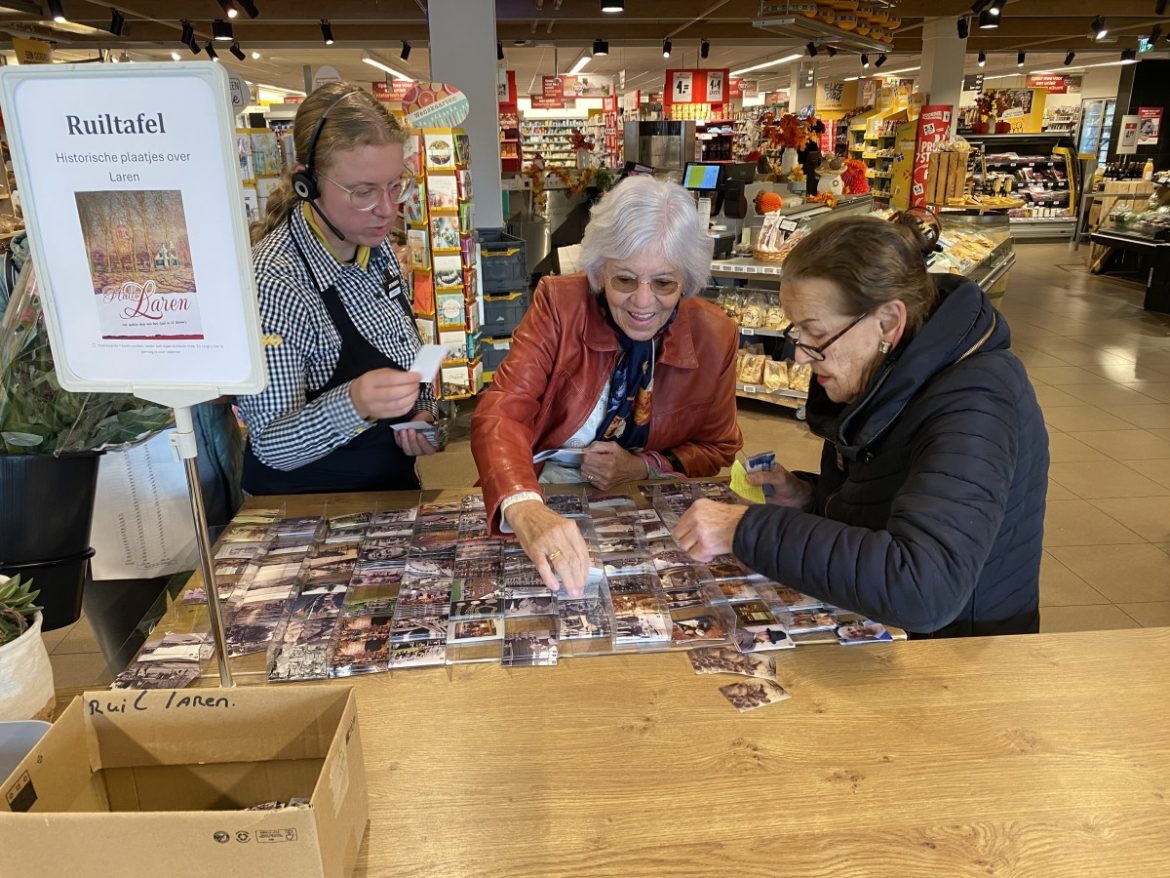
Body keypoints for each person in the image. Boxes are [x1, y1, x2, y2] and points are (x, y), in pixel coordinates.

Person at [674, 215, 1048, 638]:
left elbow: (924, 588)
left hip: (960, 658)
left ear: (888, 322)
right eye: (796, 333)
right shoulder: (894, 373)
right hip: (894, 633)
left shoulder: (976, 403)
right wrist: (810, 500)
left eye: (815, 333)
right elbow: (894, 504)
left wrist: (747, 529)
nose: (800, 357)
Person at [471, 176, 742, 595]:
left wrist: (643, 466)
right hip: (544, 486)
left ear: (686, 281)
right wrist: (524, 505)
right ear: (599, 272)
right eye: (625, 280)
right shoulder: (559, 304)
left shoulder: (716, 334)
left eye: (664, 283)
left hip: (649, 500)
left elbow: (718, 449)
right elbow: (503, 407)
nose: (643, 302)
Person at [238, 82, 438, 496]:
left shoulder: (376, 246)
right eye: (363, 192)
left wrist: (424, 411)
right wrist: (355, 404)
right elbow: (270, 444)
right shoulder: (276, 282)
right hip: (304, 517)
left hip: (387, 498)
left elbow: (412, 355)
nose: (386, 209)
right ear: (305, 184)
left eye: (395, 185)